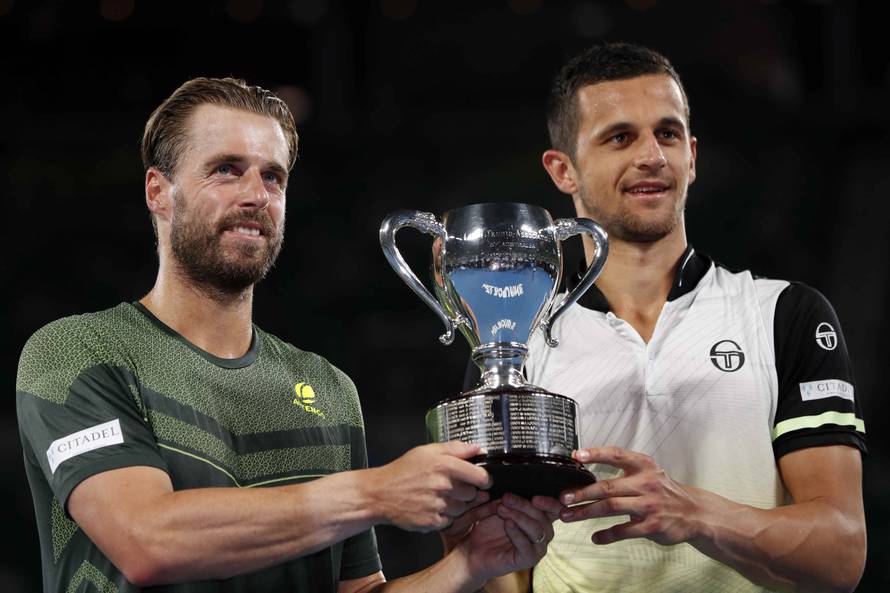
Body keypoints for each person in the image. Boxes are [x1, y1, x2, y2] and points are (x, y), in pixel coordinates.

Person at [15, 77, 558, 593]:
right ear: (158, 191)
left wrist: (468, 564)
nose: (256, 194)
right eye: (226, 170)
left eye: (273, 177)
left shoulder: (327, 388)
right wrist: (374, 492)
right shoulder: (78, 353)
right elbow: (145, 539)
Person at [487, 43, 867, 593]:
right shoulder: (513, 340)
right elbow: (502, 565)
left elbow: (842, 555)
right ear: (563, 170)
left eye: (667, 134)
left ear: (691, 155)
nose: (652, 156)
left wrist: (692, 512)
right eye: (620, 138)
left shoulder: (784, 315)